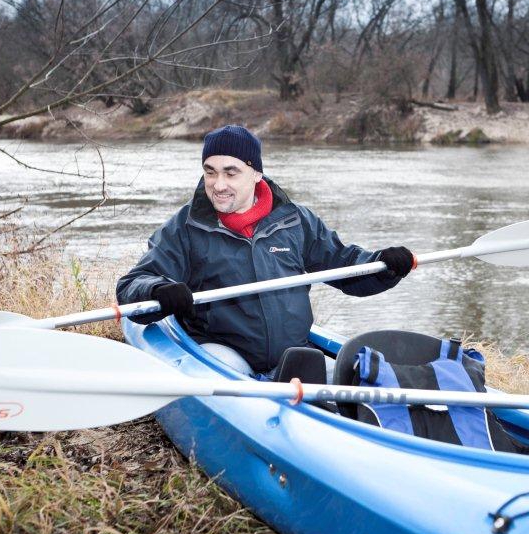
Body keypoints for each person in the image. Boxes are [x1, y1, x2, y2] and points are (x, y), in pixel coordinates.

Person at [116, 124, 414, 381]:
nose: (218, 185)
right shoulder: (185, 227)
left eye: (231, 173)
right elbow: (133, 284)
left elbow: (347, 267)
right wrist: (158, 290)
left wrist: (384, 266)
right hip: (223, 353)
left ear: (256, 173)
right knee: (228, 374)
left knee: (353, 385)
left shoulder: (295, 220)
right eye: (210, 172)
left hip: (291, 355)